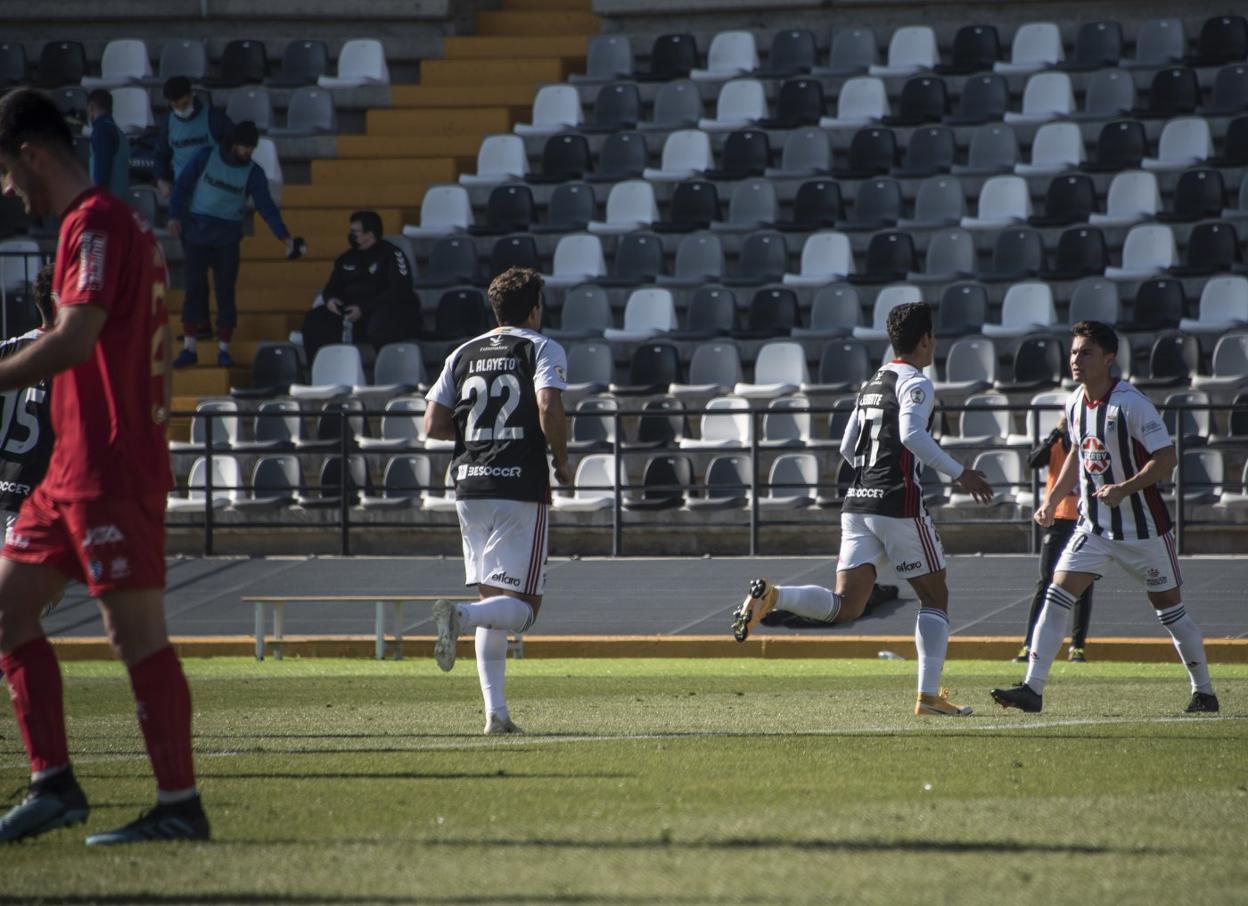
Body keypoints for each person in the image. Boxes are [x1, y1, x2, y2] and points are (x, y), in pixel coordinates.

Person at [0, 88, 209, 844]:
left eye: (7, 172)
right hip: (71, 469)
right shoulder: (118, 226)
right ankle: (53, 781)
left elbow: (75, 342)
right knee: (7, 610)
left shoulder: (94, 224)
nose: (8, 190)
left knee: (137, 636)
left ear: (30, 155)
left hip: (107, 463)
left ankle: (179, 806)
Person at [730, 301, 995, 716]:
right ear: (926, 340)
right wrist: (960, 473)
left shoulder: (874, 381)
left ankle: (775, 595)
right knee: (935, 596)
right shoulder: (917, 383)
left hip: (857, 501)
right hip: (897, 502)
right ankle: (928, 697)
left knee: (845, 607)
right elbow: (911, 435)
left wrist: (871, 477)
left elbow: (845, 446)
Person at [990, 321, 1218, 715]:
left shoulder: (1131, 403)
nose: (1076, 359)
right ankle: (1033, 688)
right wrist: (1052, 499)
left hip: (1144, 531)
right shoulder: (1075, 402)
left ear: (1109, 359)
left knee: (1171, 613)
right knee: (1056, 594)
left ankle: (1205, 692)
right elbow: (1077, 454)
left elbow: (1167, 459)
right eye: (1074, 352)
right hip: (1094, 528)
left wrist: (1124, 488)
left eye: (1086, 353)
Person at [423, 266, 571, 735]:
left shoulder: (462, 353)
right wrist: (563, 461)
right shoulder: (541, 347)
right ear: (534, 309)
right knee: (524, 609)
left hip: (469, 485)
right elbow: (548, 406)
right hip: (519, 485)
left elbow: (433, 425)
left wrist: (473, 436)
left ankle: (497, 715)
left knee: (495, 601)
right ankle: (459, 616)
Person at [168, 120, 299, 369]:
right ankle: (189, 347)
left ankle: (224, 349)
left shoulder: (253, 172)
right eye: (243, 147)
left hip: (227, 237)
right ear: (232, 144)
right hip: (197, 233)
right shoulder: (206, 157)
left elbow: (265, 206)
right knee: (193, 290)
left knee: (226, 292)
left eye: (251, 148)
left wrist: (283, 235)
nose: (247, 152)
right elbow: (182, 186)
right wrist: (174, 215)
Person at [1013, 416, 1093, 664]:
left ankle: (1077, 646)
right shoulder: (1057, 443)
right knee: (1046, 580)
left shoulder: (1091, 443)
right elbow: (1033, 461)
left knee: (1084, 584)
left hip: (1084, 518)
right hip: (1057, 518)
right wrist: (1054, 434)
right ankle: (1029, 644)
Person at [300, 211, 421, 363]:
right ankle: (319, 375)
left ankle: (389, 371)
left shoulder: (392, 254)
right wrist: (330, 299)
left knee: (382, 324)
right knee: (315, 320)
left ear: (369, 234)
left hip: (382, 310)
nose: (350, 235)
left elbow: (400, 290)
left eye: (355, 232)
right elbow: (332, 287)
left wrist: (364, 308)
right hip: (351, 312)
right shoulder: (346, 258)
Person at [153, 76, 231, 200]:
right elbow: (161, 155)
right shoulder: (168, 123)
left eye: (185, 104)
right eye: (176, 106)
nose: (181, 110)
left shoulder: (214, 118)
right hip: (183, 190)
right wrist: (161, 180)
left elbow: (233, 148)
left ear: (191, 95)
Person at [85, 89, 128, 197]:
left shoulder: (102, 131)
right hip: (119, 200)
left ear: (91, 107)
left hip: (107, 202)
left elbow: (101, 173)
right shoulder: (119, 132)